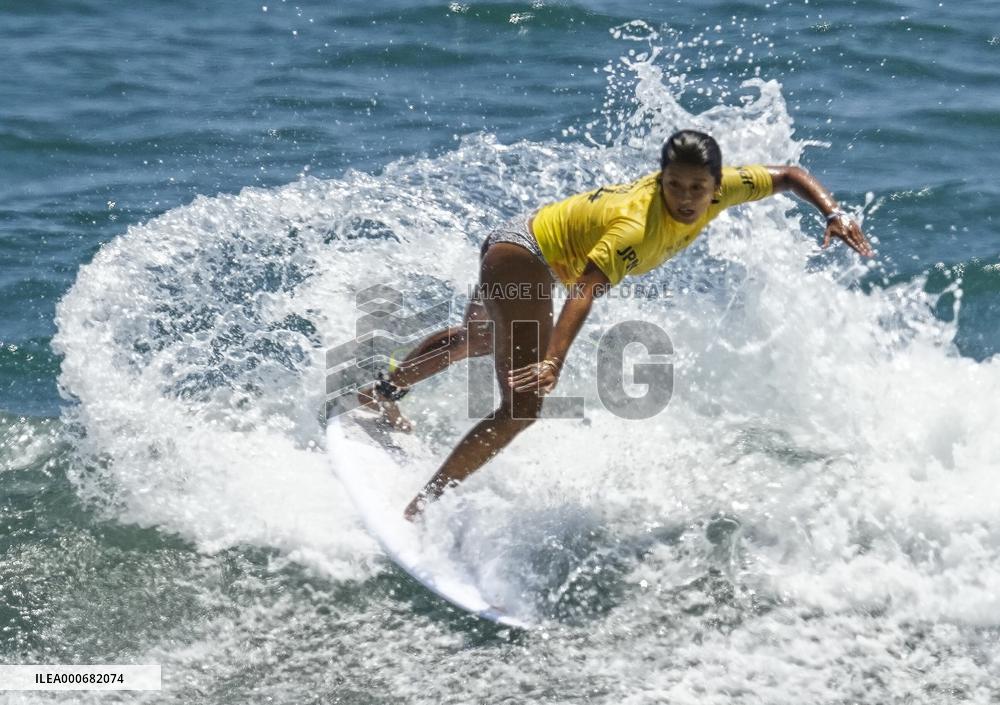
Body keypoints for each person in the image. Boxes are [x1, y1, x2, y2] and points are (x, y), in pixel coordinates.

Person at [357, 129, 874, 521]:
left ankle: (382, 391)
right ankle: (420, 508)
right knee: (524, 405)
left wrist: (833, 212)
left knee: (479, 338)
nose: (686, 198)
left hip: (517, 238)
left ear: (718, 186)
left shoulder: (729, 188)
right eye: (674, 186)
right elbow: (583, 292)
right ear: (661, 180)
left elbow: (786, 175)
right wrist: (552, 363)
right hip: (522, 259)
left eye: (698, 187)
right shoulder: (636, 227)